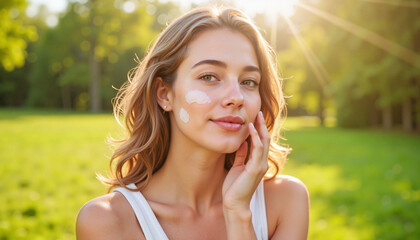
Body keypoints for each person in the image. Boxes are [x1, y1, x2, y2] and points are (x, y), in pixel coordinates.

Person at [76, 5, 309, 240]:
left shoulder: (286, 201)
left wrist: (238, 213)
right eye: (209, 77)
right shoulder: (107, 222)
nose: (236, 97)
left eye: (248, 81)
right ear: (164, 94)